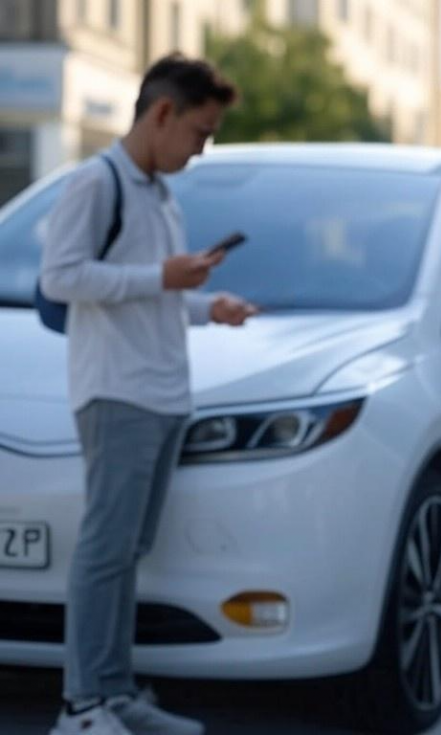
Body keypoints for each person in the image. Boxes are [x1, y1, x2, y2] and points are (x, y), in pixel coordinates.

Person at [39, 54, 257, 735]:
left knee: (127, 549)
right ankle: (81, 705)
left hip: (163, 394)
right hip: (118, 391)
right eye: (200, 130)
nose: (202, 146)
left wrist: (204, 304)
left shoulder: (158, 193)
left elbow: (149, 293)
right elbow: (60, 278)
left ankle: (114, 690)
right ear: (161, 114)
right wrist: (161, 276)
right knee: (106, 549)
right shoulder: (95, 183)